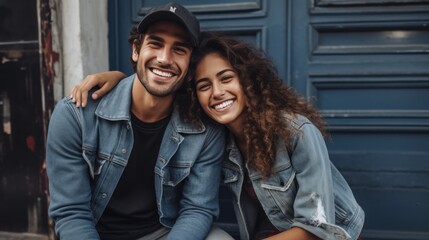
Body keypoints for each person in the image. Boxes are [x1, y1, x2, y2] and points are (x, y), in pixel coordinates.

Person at [72, 33, 365, 240]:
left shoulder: (295, 131)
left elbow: (318, 226)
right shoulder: (215, 138)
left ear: (247, 81)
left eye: (226, 78)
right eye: (203, 85)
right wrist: (120, 79)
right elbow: (157, 88)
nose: (217, 93)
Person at [46, 3, 234, 240]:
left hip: (162, 233)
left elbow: (198, 209)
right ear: (136, 50)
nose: (165, 59)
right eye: (155, 43)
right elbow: (71, 212)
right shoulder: (75, 116)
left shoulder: (204, 129)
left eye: (179, 49)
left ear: (190, 65)